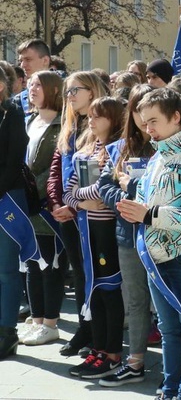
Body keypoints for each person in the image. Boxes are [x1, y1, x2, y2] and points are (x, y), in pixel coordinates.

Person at [118, 88, 181, 400]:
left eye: (153, 121)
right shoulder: (155, 160)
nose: (148, 129)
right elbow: (149, 206)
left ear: (176, 118)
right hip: (155, 259)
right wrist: (135, 208)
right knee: (168, 330)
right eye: (144, 122)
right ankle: (168, 389)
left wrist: (149, 214)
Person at [96, 84, 155, 387]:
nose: (145, 118)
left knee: (169, 301)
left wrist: (132, 188)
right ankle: (136, 360)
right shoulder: (120, 148)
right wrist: (120, 196)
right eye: (137, 109)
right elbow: (103, 185)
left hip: (163, 236)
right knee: (135, 299)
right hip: (128, 234)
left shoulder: (167, 145)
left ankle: (177, 362)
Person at [47, 72, 109, 357]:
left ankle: (96, 332)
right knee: (79, 270)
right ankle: (85, 328)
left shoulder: (102, 123)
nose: (69, 96)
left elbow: (97, 175)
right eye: (67, 91)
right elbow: (57, 167)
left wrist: (73, 205)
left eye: (75, 90)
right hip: (67, 211)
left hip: (89, 212)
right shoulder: (70, 126)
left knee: (92, 273)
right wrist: (55, 201)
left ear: (93, 91)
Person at [63, 97, 126, 380]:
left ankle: (113, 352)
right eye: (91, 116)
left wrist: (83, 199)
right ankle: (98, 348)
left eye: (99, 116)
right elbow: (69, 192)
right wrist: (82, 201)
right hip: (86, 230)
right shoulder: (86, 151)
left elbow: (105, 191)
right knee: (94, 290)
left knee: (109, 289)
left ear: (114, 119)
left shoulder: (118, 151)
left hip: (108, 232)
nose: (92, 121)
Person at [19, 72, 65, 347]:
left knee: (51, 263)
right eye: (30, 84)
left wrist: (39, 190)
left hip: (46, 204)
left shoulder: (62, 124)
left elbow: (55, 167)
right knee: (32, 263)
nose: (31, 88)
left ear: (53, 90)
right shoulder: (29, 119)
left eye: (38, 85)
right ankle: (37, 321)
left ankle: (51, 322)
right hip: (25, 202)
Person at [0, 67, 31, 360]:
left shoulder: (12, 113)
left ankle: (7, 332)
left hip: (7, 197)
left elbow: (14, 160)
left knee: (7, 270)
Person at [14, 39, 51, 116]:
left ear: (45, 60)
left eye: (28, 59)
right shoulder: (19, 100)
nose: (22, 65)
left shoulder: (65, 93)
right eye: (21, 61)